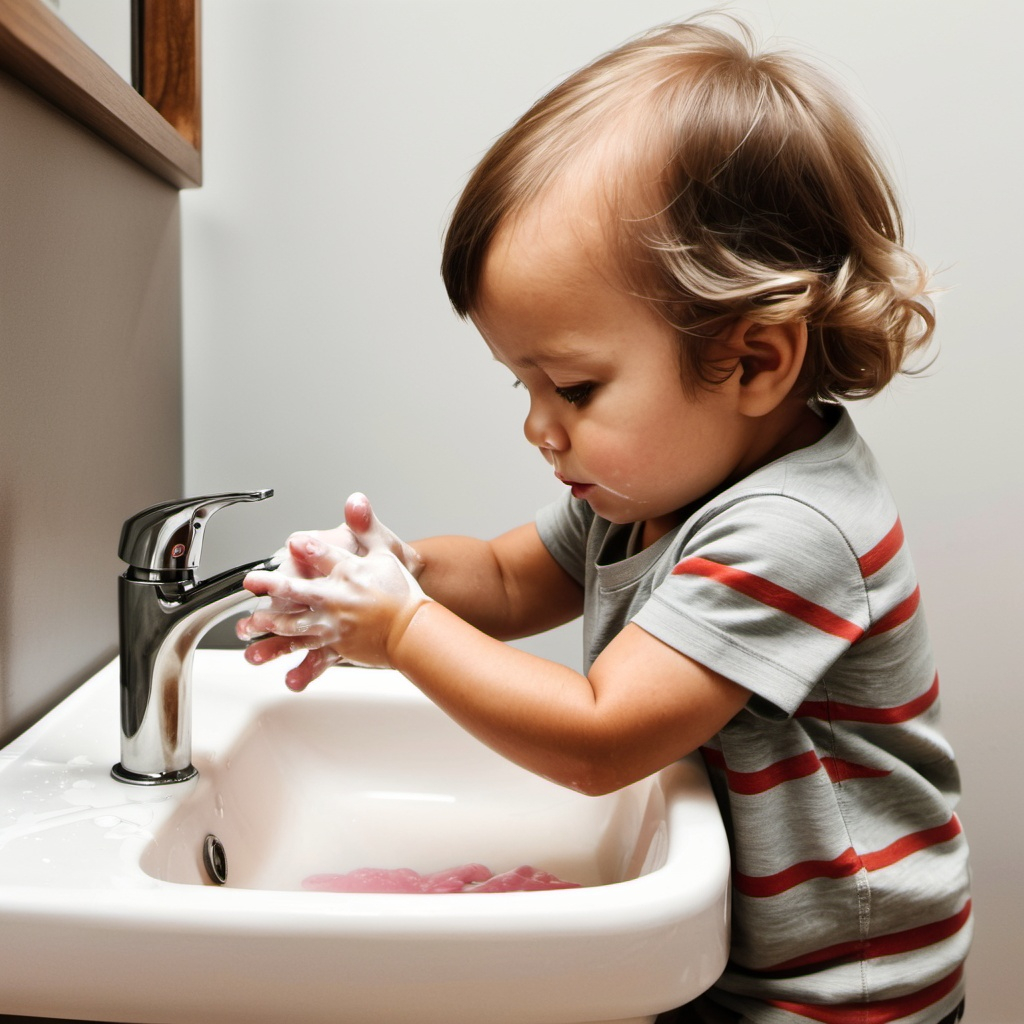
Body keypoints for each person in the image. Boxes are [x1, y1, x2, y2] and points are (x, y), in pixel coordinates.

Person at [238, 15, 971, 1023]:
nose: (540, 427)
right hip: (732, 953)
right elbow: (500, 578)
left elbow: (600, 738)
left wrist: (401, 629)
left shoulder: (794, 530)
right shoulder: (651, 501)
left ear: (754, 360)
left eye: (574, 387)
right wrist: (394, 570)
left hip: (834, 994)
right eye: (522, 384)